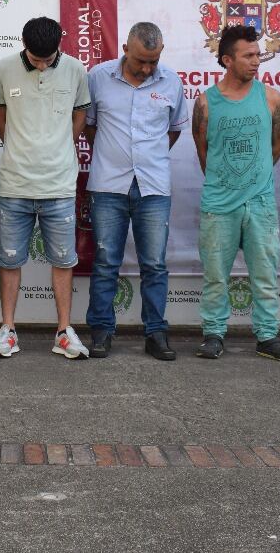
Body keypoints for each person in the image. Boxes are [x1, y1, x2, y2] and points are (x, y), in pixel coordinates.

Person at [0, 17, 92, 360]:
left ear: (60, 45)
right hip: (15, 184)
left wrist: (59, 146)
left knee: (63, 260)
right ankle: (8, 330)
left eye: (49, 59)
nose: (43, 65)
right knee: (10, 260)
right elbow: (0, 118)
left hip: (59, 186)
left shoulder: (76, 70)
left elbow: (80, 115)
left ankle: (63, 331)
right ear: (23, 45)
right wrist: (21, 148)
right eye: (35, 59)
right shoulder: (3, 69)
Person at [84, 22, 188, 361]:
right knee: (105, 262)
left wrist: (148, 157)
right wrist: (114, 155)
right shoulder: (98, 78)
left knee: (154, 264)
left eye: (153, 62)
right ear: (125, 49)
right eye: (140, 60)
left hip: (153, 187)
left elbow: (173, 130)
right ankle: (101, 331)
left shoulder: (171, 82)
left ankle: (156, 333)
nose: (146, 69)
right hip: (107, 185)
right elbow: (89, 126)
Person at [192, 25, 280, 362]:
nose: (256, 61)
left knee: (265, 276)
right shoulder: (206, 103)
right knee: (215, 277)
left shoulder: (271, 98)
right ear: (227, 60)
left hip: (260, 204)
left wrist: (255, 180)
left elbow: (276, 147)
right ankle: (213, 334)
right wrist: (227, 183)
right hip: (219, 205)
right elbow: (204, 153)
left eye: (257, 55)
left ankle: (267, 336)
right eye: (248, 55)